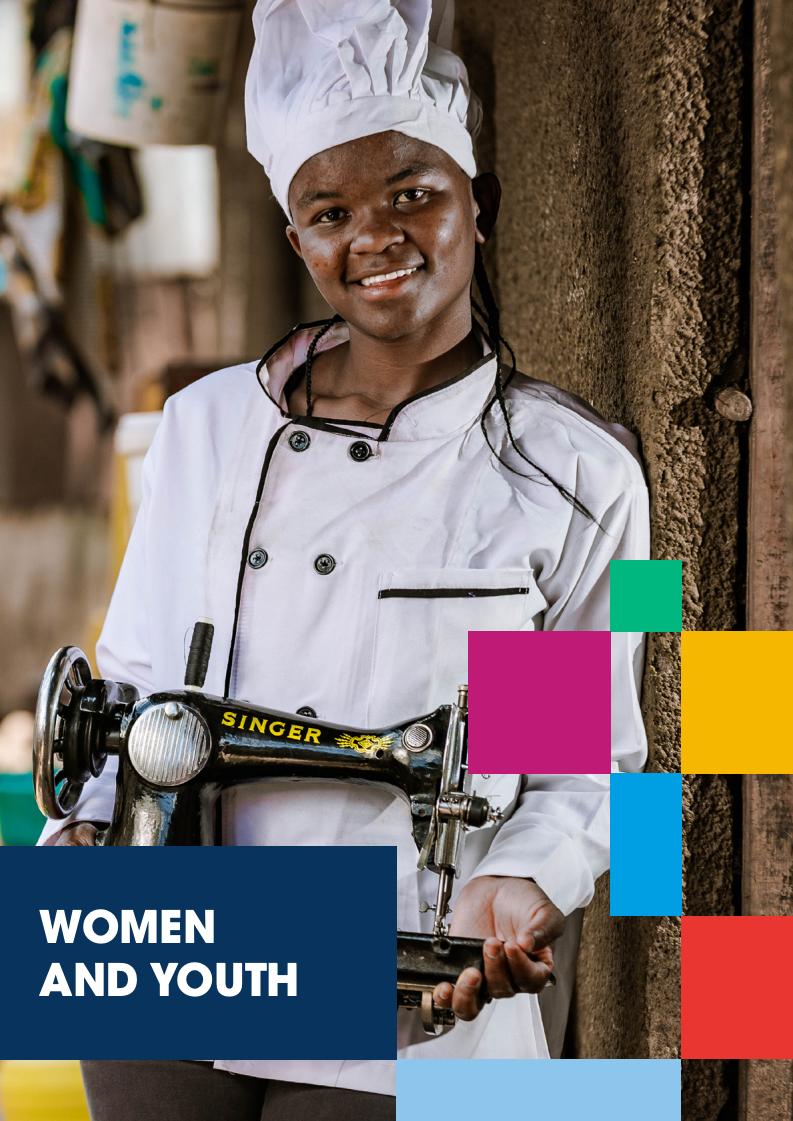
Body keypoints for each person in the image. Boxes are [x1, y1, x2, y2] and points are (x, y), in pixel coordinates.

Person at [39, 1, 649, 1117]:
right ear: (297, 241)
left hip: (408, 968)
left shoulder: (570, 473)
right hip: (176, 951)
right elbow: (127, 689)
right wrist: (82, 827)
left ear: (479, 203)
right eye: (331, 211)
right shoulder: (206, 426)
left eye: (413, 193)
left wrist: (521, 879)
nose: (375, 236)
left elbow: (578, 764)